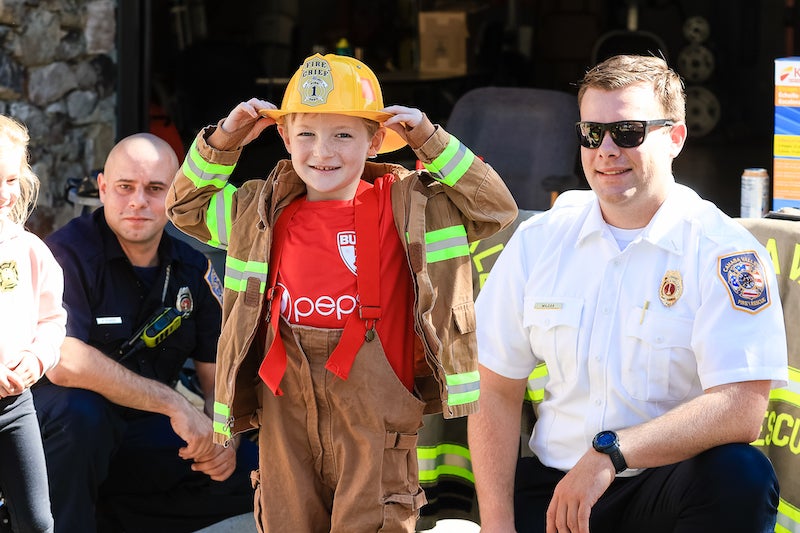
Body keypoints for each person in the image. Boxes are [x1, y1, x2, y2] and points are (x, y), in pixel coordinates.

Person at [166, 52, 518, 532]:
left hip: (375, 421)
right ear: (284, 137)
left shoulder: (413, 204)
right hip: (284, 410)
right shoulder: (258, 209)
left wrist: (430, 139)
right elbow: (185, 206)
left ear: (376, 141)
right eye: (306, 134)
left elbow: (496, 208)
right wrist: (223, 141)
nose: (322, 152)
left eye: (344, 135)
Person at [469, 54, 789, 533]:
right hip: (559, 493)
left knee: (741, 475)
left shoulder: (723, 252)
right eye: (592, 133)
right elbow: (494, 386)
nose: (606, 150)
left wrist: (611, 454)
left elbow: (742, 406)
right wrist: (497, 525)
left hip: (665, 491)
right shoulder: (540, 241)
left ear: (675, 137)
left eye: (628, 132)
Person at [34, 133, 258, 533]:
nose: (138, 201)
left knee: (257, 471)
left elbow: (217, 377)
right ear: (103, 188)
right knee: (81, 416)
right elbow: (64, 362)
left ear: (176, 195)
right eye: (125, 187)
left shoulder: (193, 268)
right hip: (67, 436)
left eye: (156, 188)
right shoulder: (66, 254)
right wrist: (176, 406)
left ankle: (106, 518)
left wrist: (224, 439)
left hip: (141, 432)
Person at [0, 115, 66, 533]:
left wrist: (37, 357)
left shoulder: (29, 249)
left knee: (38, 521)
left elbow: (52, 319)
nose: (4, 193)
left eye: (10, 180)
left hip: (14, 406)